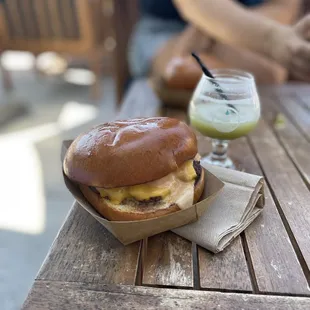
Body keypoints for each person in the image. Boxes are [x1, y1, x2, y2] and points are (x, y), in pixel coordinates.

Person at [129, 0, 310, 85]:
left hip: (249, 34)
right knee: (181, 71)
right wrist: (272, 40)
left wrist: (211, 28)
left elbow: (283, 6)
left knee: (266, 73)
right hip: (167, 31)